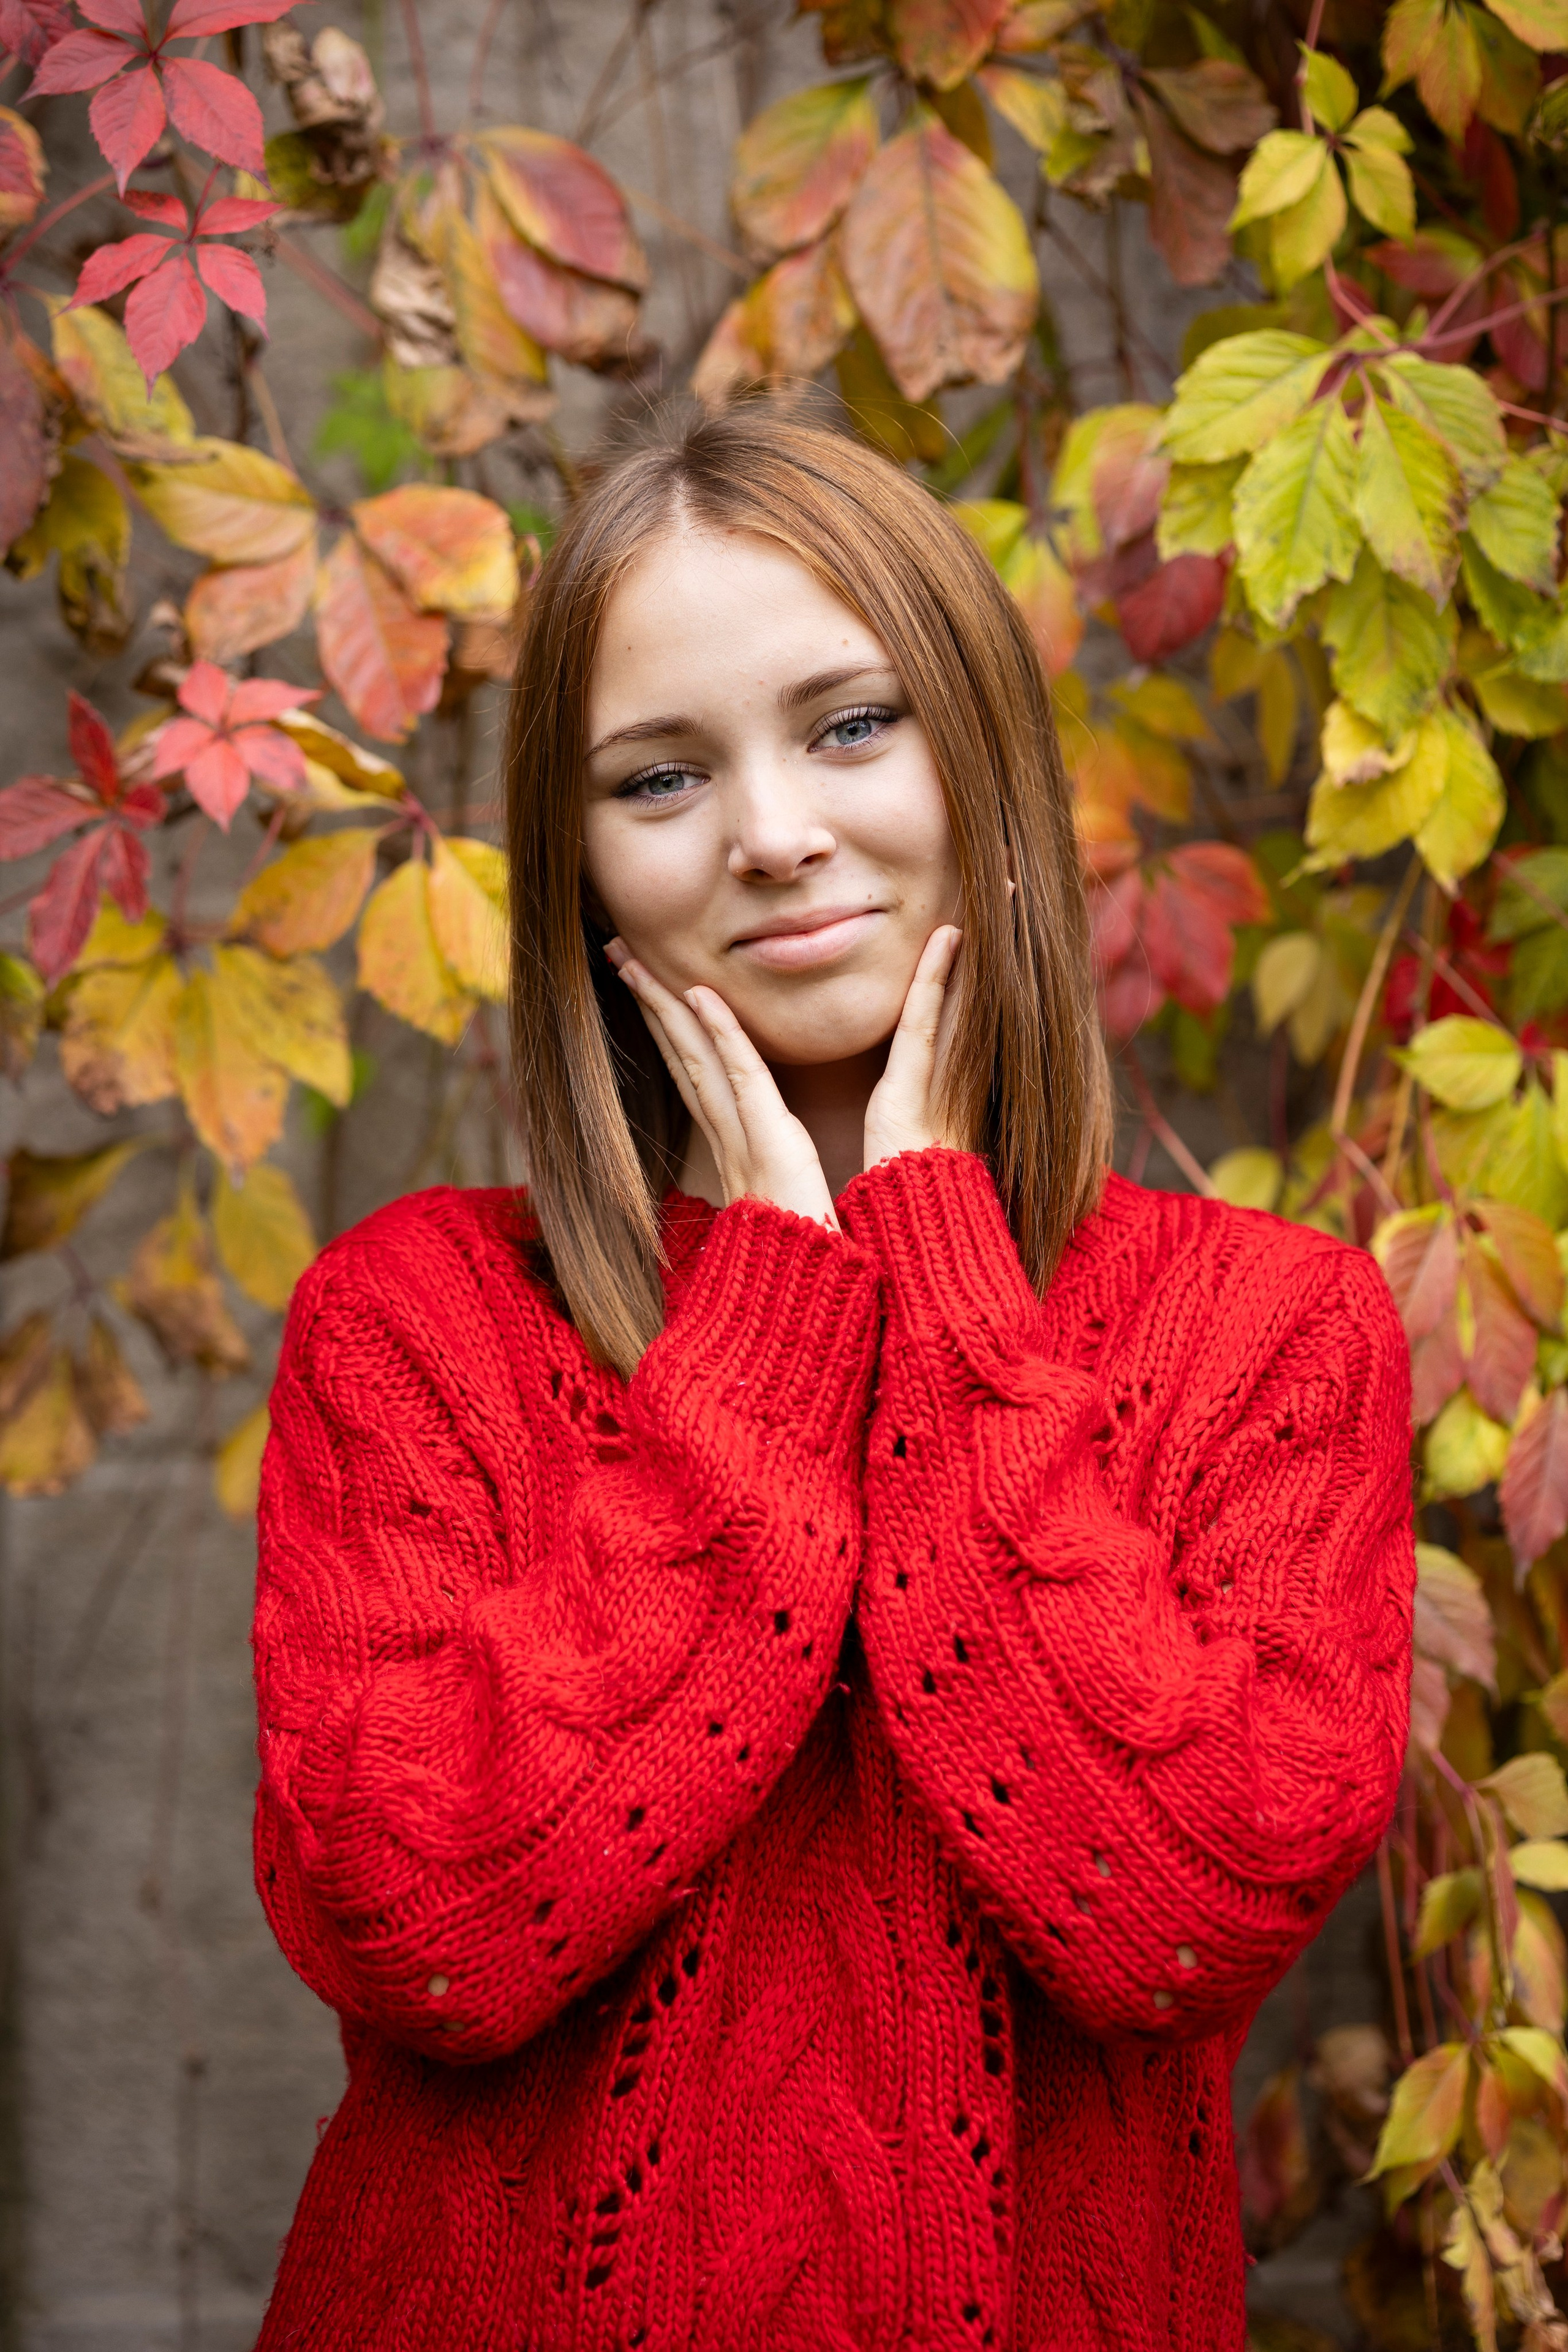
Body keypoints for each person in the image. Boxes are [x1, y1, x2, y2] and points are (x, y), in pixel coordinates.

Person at [249, 406, 1415, 2351]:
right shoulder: (416, 1324)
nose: (772, 831)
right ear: (584, 873)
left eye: (852, 725)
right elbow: (414, 1932)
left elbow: (1178, 1910)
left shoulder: (1271, 1334)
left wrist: (938, 1272)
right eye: (659, 775)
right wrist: (765, 1334)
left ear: (986, 759)